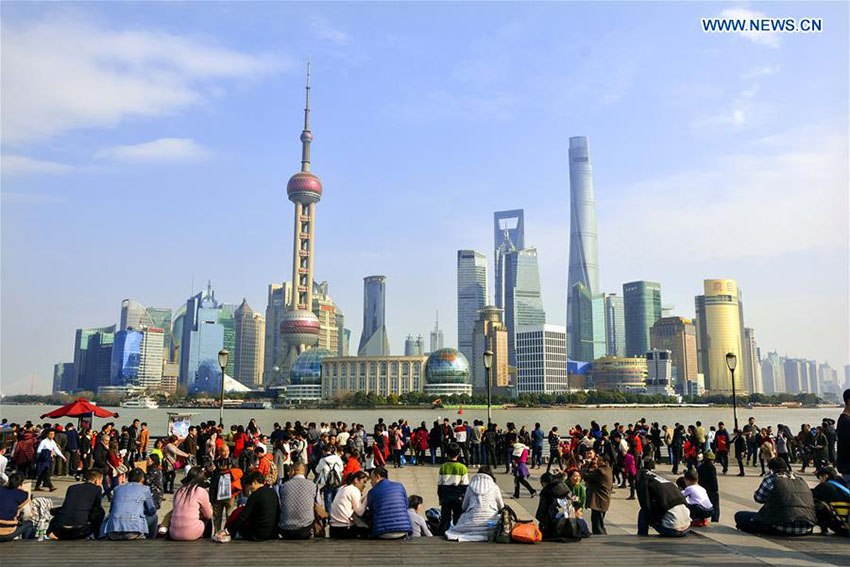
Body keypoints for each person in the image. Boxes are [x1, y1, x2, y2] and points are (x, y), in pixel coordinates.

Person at [734, 457, 817, 536]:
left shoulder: (771, 479)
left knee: (740, 516)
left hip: (779, 526)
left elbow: (758, 498)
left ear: (771, 469)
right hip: (806, 526)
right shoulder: (800, 480)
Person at [444, 465, 503, 541]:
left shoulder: (470, 487)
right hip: (491, 523)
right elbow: (501, 507)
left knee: (461, 519)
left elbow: (464, 506)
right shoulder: (495, 487)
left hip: (471, 521)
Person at [636, 459, 691, 537]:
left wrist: (653, 520)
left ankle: (642, 535)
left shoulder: (645, 483)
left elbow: (646, 507)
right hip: (687, 528)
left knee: (643, 512)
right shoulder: (670, 484)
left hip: (672, 530)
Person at [101, 466, 158, 540]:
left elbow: (111, 510)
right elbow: (151, 511)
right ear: (142, 479)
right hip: (133, 532)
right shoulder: (145, 489)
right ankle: (151, 540)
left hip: (113, 532)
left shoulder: (117, 489)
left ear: (128, 478)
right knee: (154, 517)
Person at [48, 469, 105, 540]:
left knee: (63, 511)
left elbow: (69, 505)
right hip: (80, 530)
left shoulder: (72, 488)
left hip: (60, 529)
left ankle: (50, 532)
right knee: (101, 512)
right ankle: (97, 535)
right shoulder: (97, 489)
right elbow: (96, 508)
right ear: (97, 481)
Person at [536, 472, 589, 540]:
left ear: (544, 483)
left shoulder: (546, 491)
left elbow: (542, 509)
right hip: (569, 519)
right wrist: (577, 507)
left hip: (553, 522)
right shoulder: (563, 485)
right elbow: (573, 497)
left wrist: (539, 519)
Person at [228, 471, 280, 540]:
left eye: (249, 486)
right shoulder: (273, 492)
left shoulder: (255, 495)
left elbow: (243, 517)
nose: (249, 489)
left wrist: (228, 530)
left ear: (254, 482)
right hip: (273, 533)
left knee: (239, 530)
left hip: (258, 534)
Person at [277, 463, 322, 539]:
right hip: (305, 529)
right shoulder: (313, 486)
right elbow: (319, 504)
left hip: (285, 529)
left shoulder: (283, 486)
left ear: (292, 471)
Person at [365, 466, 412, 539]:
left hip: (383, 533)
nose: (370, 482)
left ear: (378, 477)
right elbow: (406, 505)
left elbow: (371, 510)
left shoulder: (372, 492)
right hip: (403, 530)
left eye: (371, 479)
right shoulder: (399, 486)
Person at [169, 467, 213, 540]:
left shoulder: (178, 490)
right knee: (208, 521)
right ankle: (206, 541)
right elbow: (208, 515)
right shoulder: (201, 491)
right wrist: (210, 506)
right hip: (191, 533)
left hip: (173, 533)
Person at [437, 442, 469, 534]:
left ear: (447, 454)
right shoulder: (462, 468)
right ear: (459, 454)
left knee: (445, 519)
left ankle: (442, 535)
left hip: (446, 494)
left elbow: (440, 484)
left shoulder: (443, 467)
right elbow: (465, 485)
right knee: (458, 518)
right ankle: (457, 534)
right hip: (458, 495)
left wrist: (440, 497)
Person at [329, 471, 369, 539]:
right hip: (345, 528)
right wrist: (367, 498)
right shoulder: (354, 490)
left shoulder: (342, 488)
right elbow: (360, 512)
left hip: (333, 528)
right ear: (356, 480)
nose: (365, 485)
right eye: (364, 482)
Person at [811, 466, 849, 535]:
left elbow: (810, 495)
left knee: (816, 503)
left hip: (839, 525)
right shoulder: (843, 484)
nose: (820, 480)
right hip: (846, 525)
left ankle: (824, 529)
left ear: (825, 476)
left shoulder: (825, 486)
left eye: (820, 477)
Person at [583, 452, 612, 535]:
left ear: (605, 462)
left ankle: (600, 538)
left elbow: (586, 476)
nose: (597, 461)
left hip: (598, 501)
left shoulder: (600, 471)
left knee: (597, 523)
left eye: (599, 460)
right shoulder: (608, 469)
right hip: (603, 500)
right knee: (599, 522)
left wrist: (586, 465)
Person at [0, 473, 34, 542]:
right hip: (7, 531)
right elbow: (26, 500)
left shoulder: (1, 489)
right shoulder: (22, 494)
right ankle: (25, 544)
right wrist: (25, 490)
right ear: (21, 483)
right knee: (29, 524)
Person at [315, 444, 344, 513]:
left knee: (328, 501)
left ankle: (329, 516)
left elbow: (317, 470)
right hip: (337, 481)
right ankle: (337, 514)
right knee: (336, 500)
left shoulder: (322, 460)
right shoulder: (337, 458)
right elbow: (341, 469)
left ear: (323, 451)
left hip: (328, 482)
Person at [697, 451, 720, 523]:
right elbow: (713, 479)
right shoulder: (711, 467)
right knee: (715, 506)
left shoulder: (700, 467)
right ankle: (715, 519)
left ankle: (703, 519)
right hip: (711, 490)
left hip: (702, 489)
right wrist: (715, 489)